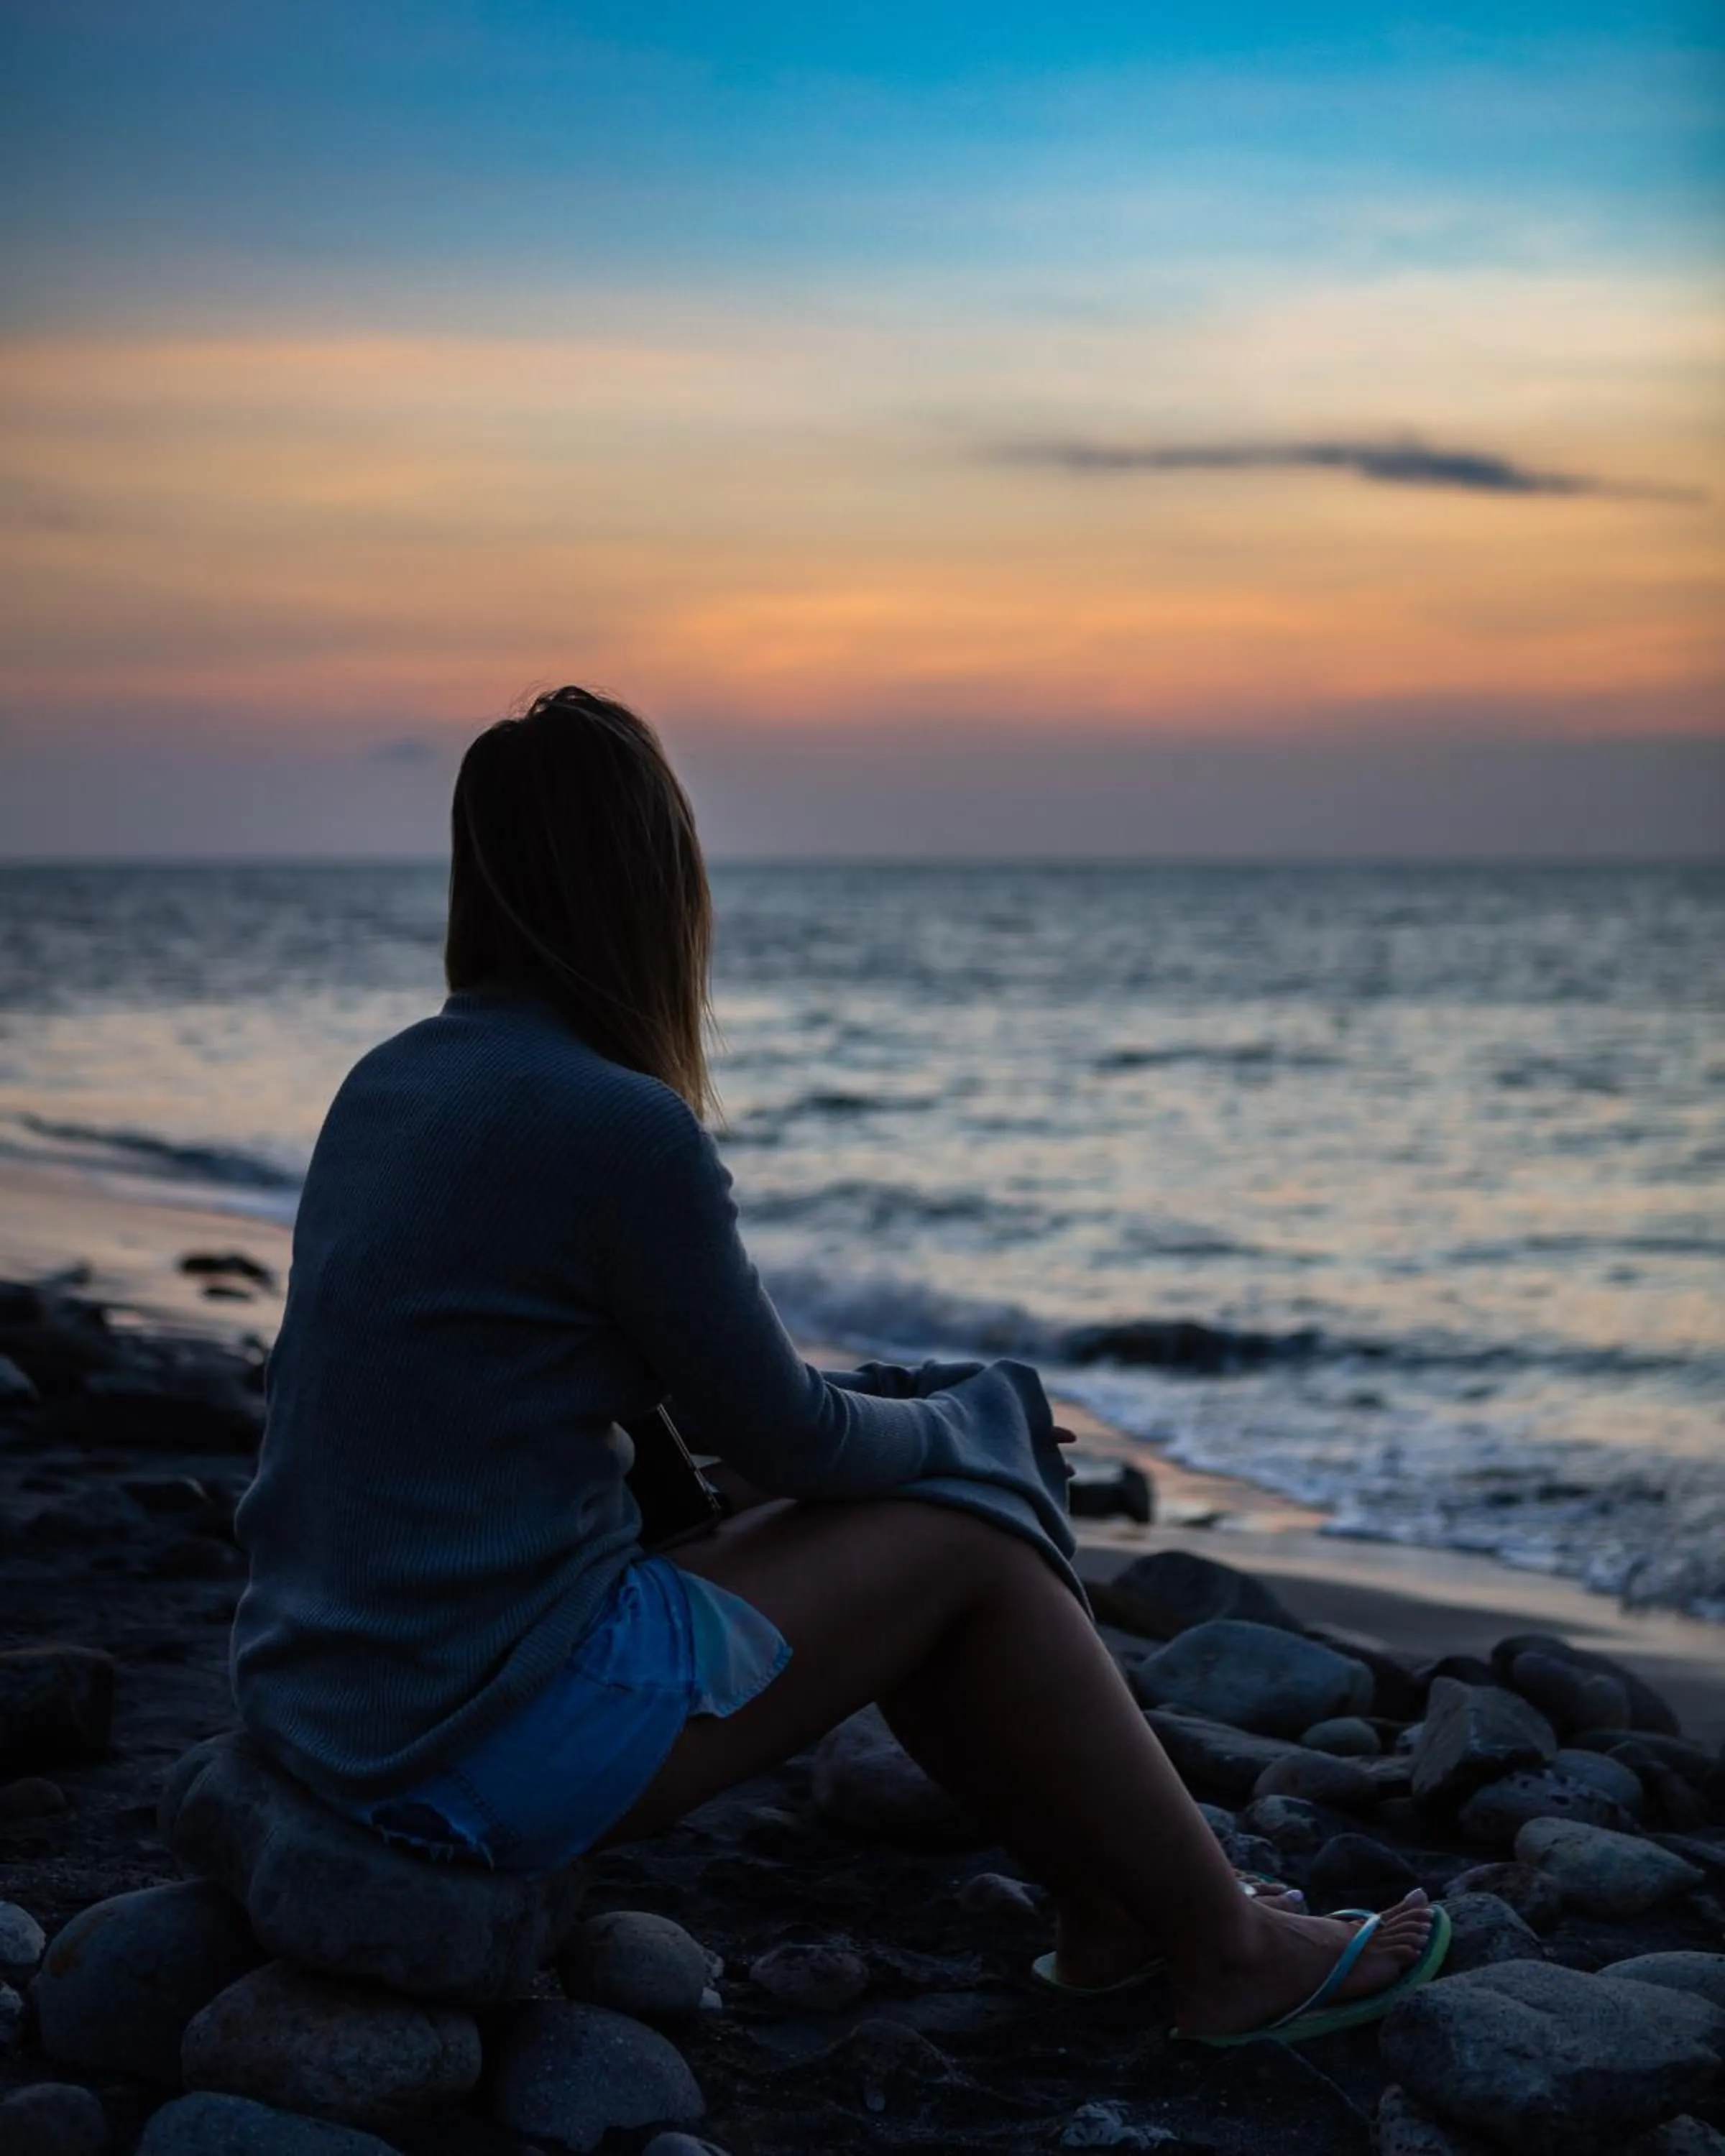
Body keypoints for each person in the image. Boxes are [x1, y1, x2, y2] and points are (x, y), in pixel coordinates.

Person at [232, 685, 1446, 2045]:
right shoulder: (617, 1126)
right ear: (657, 883)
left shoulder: (392, 1081)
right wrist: (970, 1427)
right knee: (958, 1540)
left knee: (905, 1528)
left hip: (336, 1693)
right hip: (469, 1741)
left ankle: (1114, 1913)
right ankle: (1226, 1949)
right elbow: (797, 1446)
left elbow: (502, 1412)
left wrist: (849, 1454)